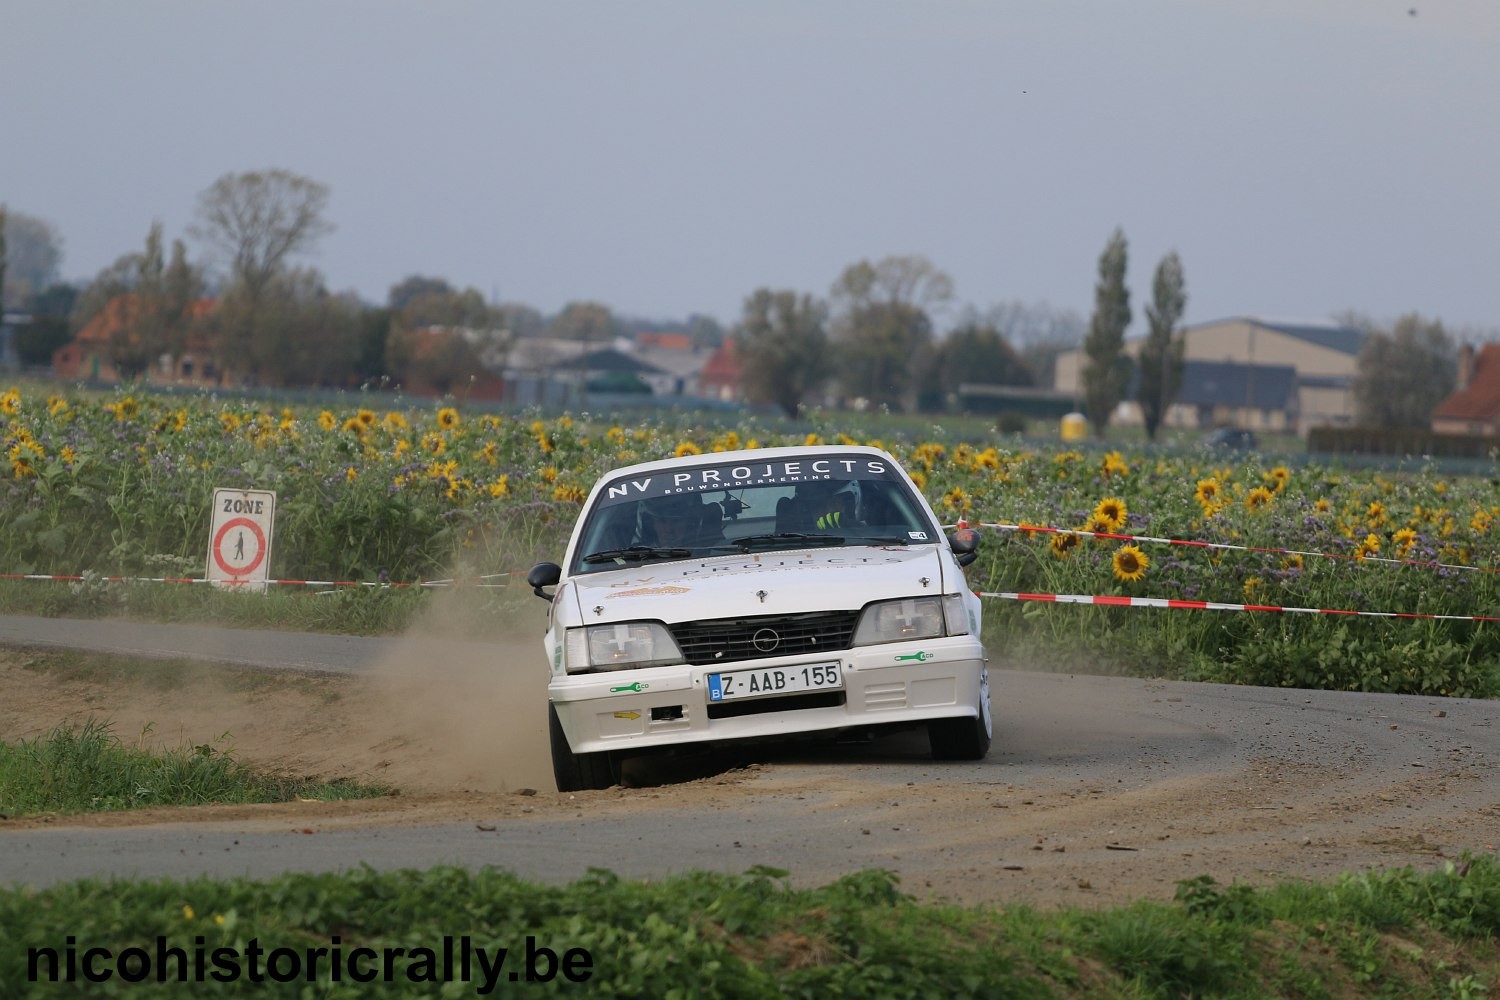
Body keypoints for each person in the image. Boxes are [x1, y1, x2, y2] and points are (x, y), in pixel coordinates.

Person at [642, 493, 721, 547]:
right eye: (662, 521)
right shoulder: (634, 554)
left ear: (690, 523)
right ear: (652, 525)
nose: (669, 529)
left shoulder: (716, 551)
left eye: (676, 521)